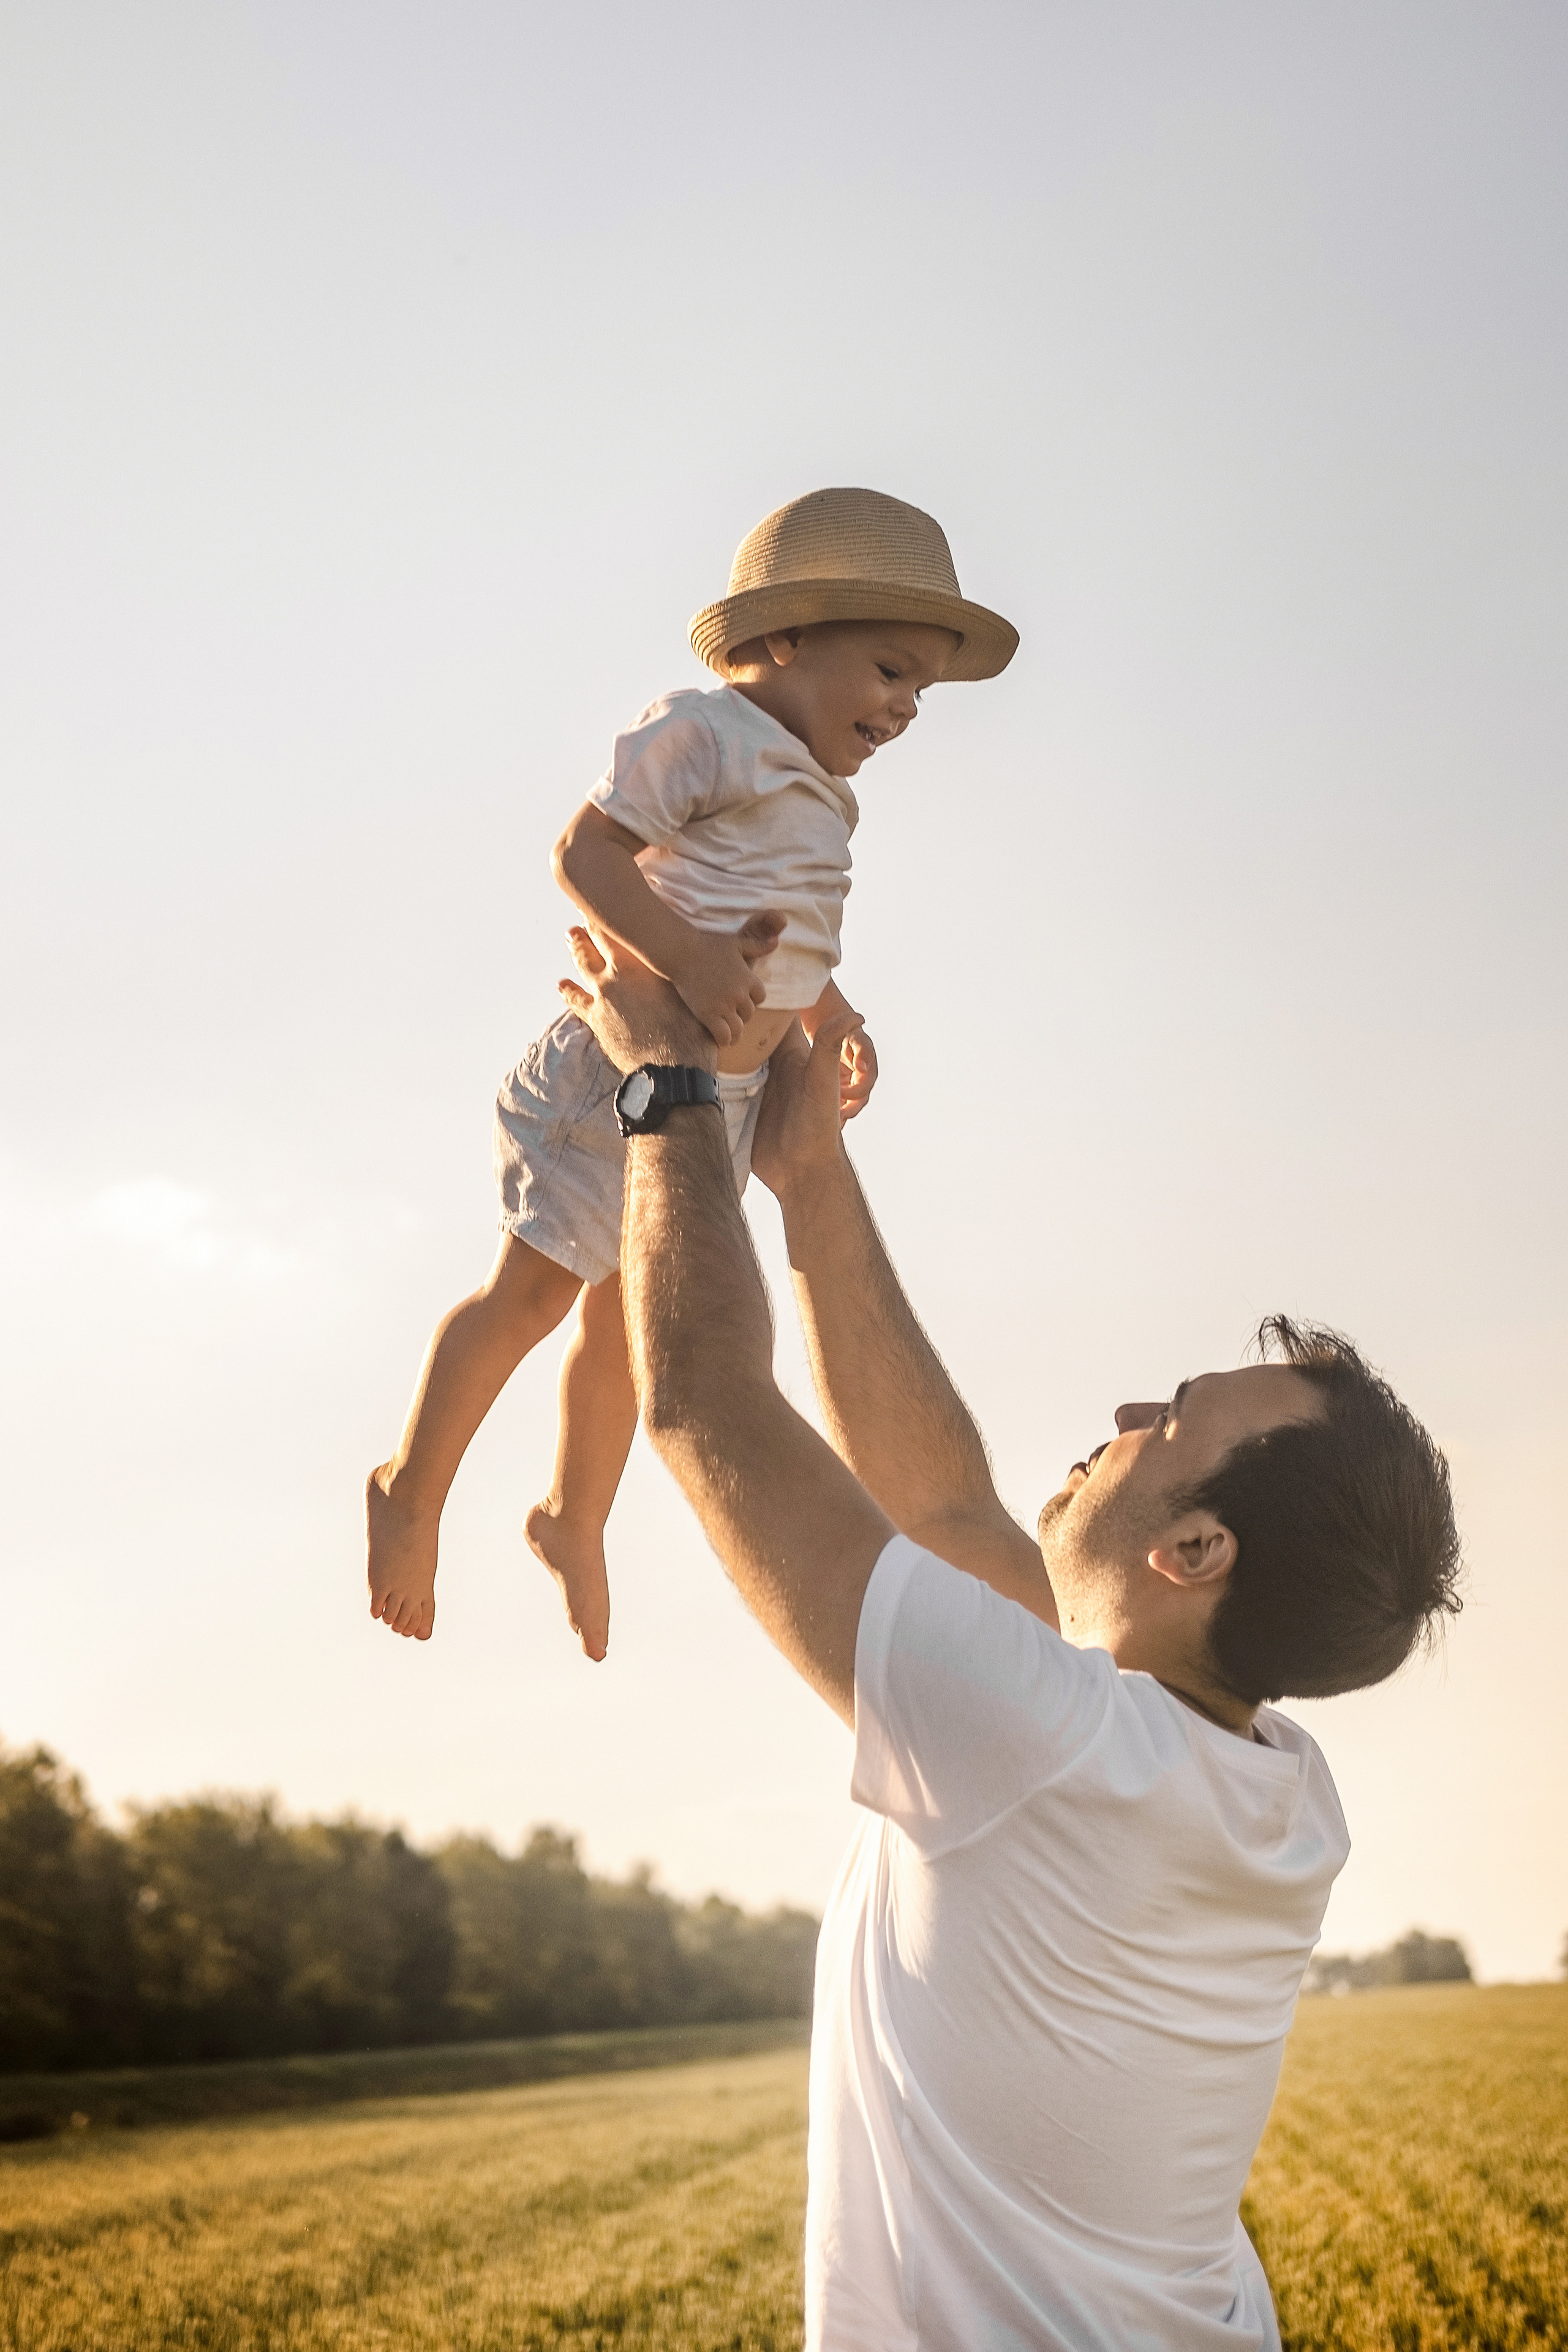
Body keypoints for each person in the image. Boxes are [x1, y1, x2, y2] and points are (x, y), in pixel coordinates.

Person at [552, 926, 1463, 2352]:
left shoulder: (1039, 1745)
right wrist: (811, 1179)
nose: (1118, 1421)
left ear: (1194, 1552)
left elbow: (703, 1411)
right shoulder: (1278, 1793)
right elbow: (954, 1519)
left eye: (1163, 1421)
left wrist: (665, 1090)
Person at [364, 487, 1018, 1659]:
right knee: (531, 1297)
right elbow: (585, 853)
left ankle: (576, 1514)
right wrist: (689, 958)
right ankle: (410, 1488)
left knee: (640, 1326)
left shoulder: (826, 793)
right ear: (784, 639)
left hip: (718, 1105)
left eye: (921, 687)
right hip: (614, 1075)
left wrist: (835, 1009)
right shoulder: (708, 731)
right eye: (887, 671)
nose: (908, 707)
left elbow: (789, 929)